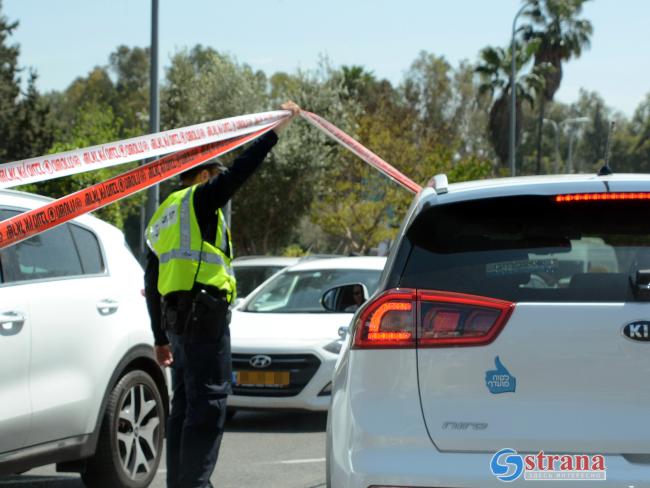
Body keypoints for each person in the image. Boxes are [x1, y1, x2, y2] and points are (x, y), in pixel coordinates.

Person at [144, 101, 300, 488]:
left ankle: (182, 483)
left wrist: (160, 337)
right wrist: (274, 133)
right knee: (208, 405)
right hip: (203, 319)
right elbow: (241, 173)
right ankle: (195, 484)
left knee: (184, 406)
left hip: (177, 323)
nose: (220, 181)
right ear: (204, 173)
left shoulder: (163, 212)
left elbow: (151, 280)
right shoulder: (200, 201)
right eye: (216, 173)